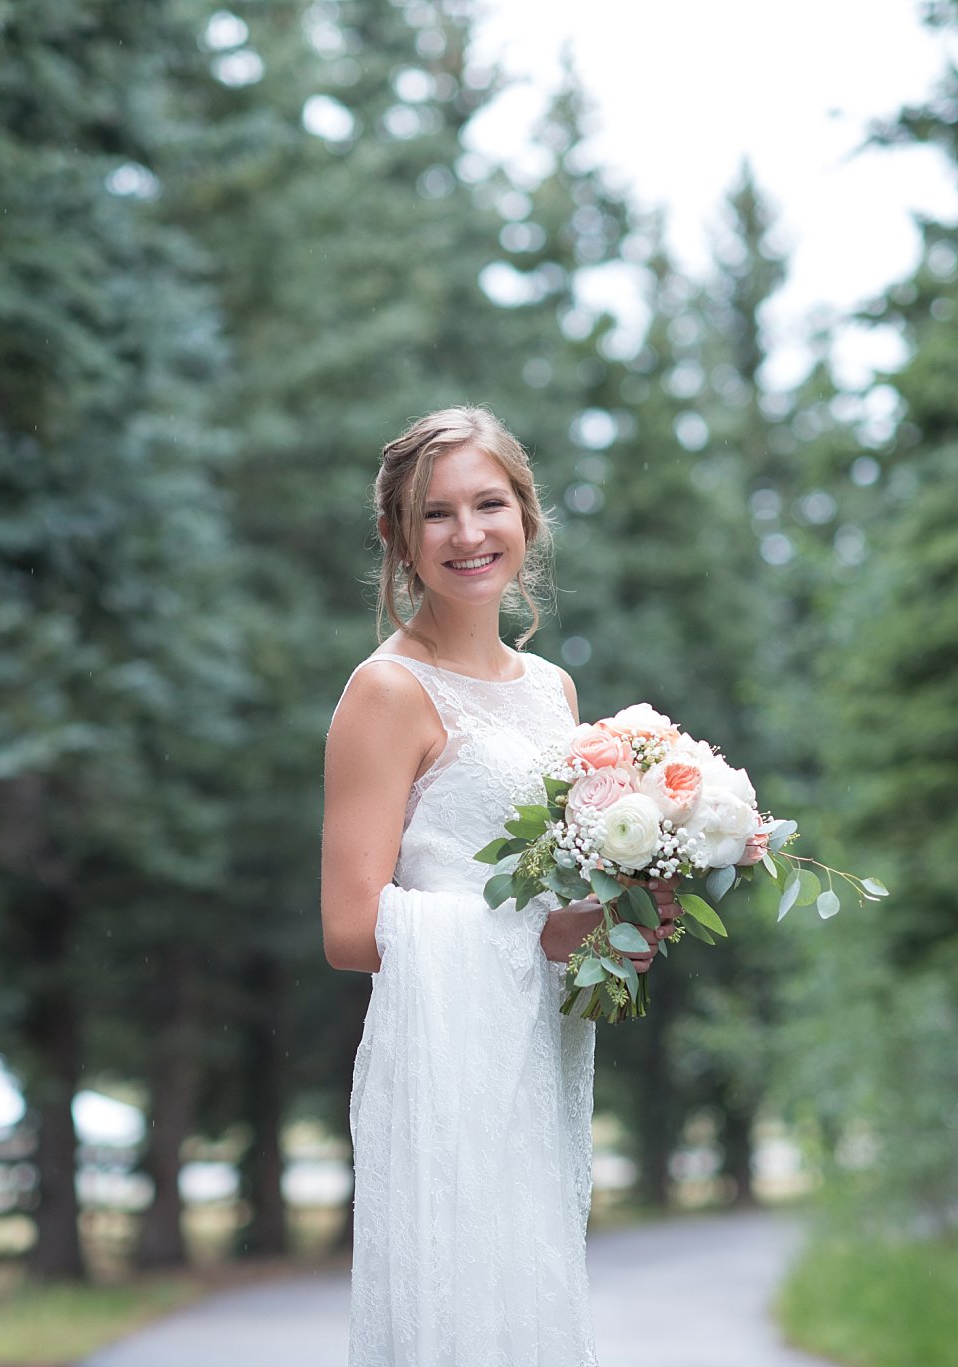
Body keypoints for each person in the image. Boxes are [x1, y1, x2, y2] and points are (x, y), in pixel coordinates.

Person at [321, 406, 676, 1367]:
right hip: (444, 1066)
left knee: (528, 1301)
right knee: (459, 1307)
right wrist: (537, 936)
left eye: (489, 504)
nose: (467, 533)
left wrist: (625, 906)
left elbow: (555, 877)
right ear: (398, 536)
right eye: (435, 513)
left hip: (535, 1048)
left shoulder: (553, 690)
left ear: (527, 515)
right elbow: (349, 928)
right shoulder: (386, 692)